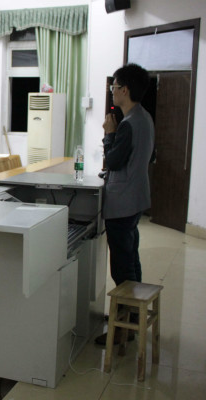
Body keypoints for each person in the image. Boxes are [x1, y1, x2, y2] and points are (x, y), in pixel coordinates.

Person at [95, 64, 155, 345]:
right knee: (131, 258)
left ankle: (123, 327)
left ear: (125, 90)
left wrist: (109, 133)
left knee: (121, 266)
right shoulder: (144, 117)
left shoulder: (128, 123)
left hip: (123, 201)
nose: (112, 92)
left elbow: (114, 161)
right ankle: (131, 316)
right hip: (137, 197)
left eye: (115, 87)